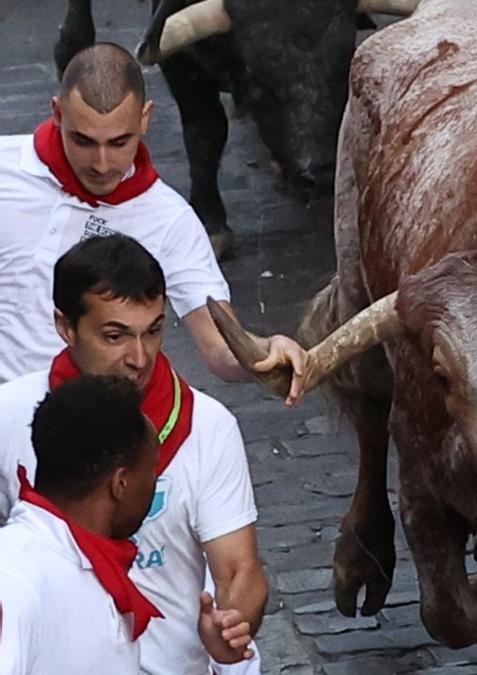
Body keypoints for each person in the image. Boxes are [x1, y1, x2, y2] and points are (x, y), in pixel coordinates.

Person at [0, 235, 266, 674]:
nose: (139, 358)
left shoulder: (209, 425)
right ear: (65, 327)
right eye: (115, 336)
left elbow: (240, 568)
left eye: (154, 331)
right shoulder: (9, 413)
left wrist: (232, 624)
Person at [0, 42, 308, 403]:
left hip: (90, 433)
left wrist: (269, 351)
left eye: (119, 142)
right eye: (83, 141)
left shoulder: (169, 220)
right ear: (57, 112)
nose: (101, 163)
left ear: (145, 118)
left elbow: (221, 347)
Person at [0, 376, 161, 674]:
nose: (155, 481)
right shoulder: (13, 580)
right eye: (152, 468)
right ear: (120, 483)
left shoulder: (84, 565)